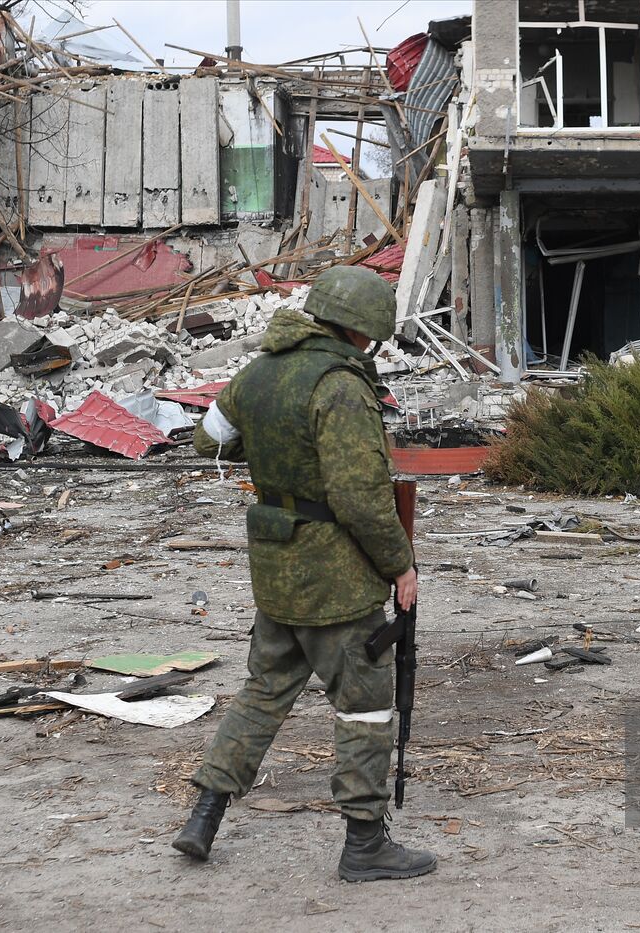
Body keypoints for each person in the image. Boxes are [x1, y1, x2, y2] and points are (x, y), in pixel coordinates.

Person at [171, 265, 436, 882]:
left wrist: (269, 446)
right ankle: (366, 843)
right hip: (335, 576)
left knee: (264, 691)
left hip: (275, 565)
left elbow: (208, 437)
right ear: (363, 331)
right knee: (366, 705)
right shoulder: (339, 384)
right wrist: (400, 565)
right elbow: (359, 494)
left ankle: (204, 815)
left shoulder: (260, 370)